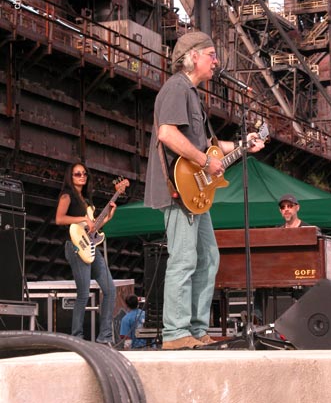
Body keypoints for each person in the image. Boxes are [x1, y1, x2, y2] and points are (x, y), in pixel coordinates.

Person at [144, 31, 265, 350]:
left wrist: (243, 145)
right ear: (193, 56)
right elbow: (167, 134)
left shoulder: (192, 95)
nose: (216, 61)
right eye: (212, 54)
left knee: (207, 256)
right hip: (178, 190)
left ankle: (195, 329)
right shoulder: (175, 88)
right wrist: (203, 161)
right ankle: (174, 333)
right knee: (183, 258)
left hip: (194, 191)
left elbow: (209, 147)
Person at [55, 162, 119, 345]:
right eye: (77, 174)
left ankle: (104, 337)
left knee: (109, 290)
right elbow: (59, 219)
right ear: (70, 176)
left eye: (84, 173)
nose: (82, 176)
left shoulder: (87, 200)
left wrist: (108, 216)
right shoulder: (67, 196)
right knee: (83, 293)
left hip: (90, 244)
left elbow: (93, 228)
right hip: (75, 246)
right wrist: (83, 218)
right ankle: (77, 338)